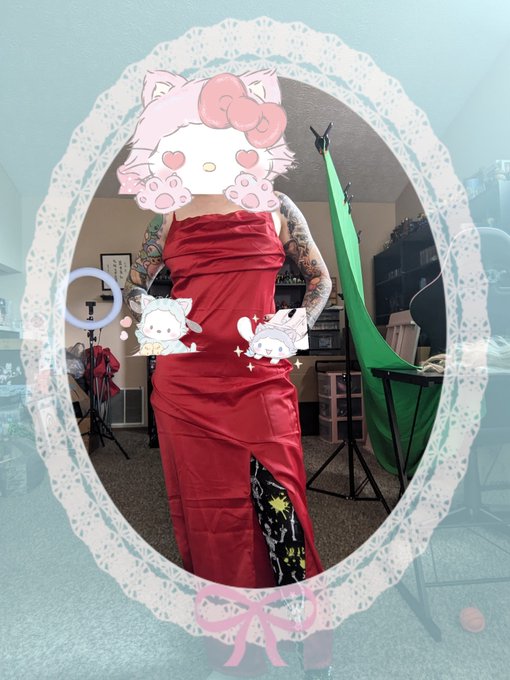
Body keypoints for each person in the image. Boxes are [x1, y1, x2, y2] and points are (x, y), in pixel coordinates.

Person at [121, 69, 333, 679]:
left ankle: (300, 637)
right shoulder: (168, 214)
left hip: (260, 383)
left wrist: (291, 329)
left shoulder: (278, 207)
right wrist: (163, 323)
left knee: (279, 504)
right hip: (186, 389)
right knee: (211, 518)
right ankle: (237, 648)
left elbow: (320, 280)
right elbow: (134, 286)